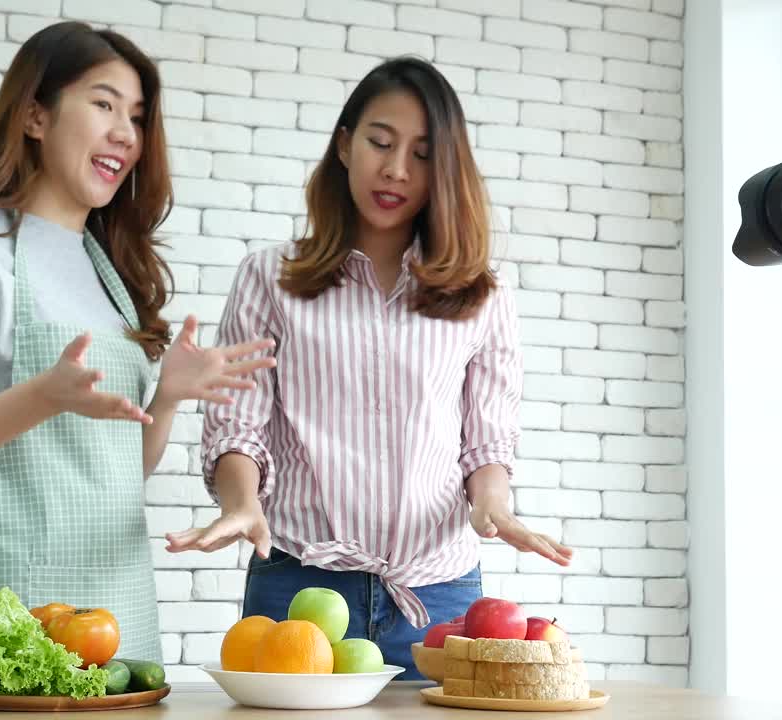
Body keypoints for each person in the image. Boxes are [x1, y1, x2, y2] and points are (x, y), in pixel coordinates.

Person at [0, 21, 273, 664]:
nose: (126, 133)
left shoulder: (107, 272)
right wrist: (43, 397)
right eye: (104, 103)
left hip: (115, 611)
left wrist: (165, 396)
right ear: (35, 115)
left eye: (137, 117)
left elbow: (113, 472)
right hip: (1, 606)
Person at [164, 57, 574, 677]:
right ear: (345, 144)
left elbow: (486, 438)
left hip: (438, 595)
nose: (395, 169)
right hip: (297, 587)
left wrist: (492, 505)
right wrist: (242, 501)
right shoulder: (269, 279)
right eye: (381, 143)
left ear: (447, 169)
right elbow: (238, 425)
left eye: (421, 153)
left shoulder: (483, 295)